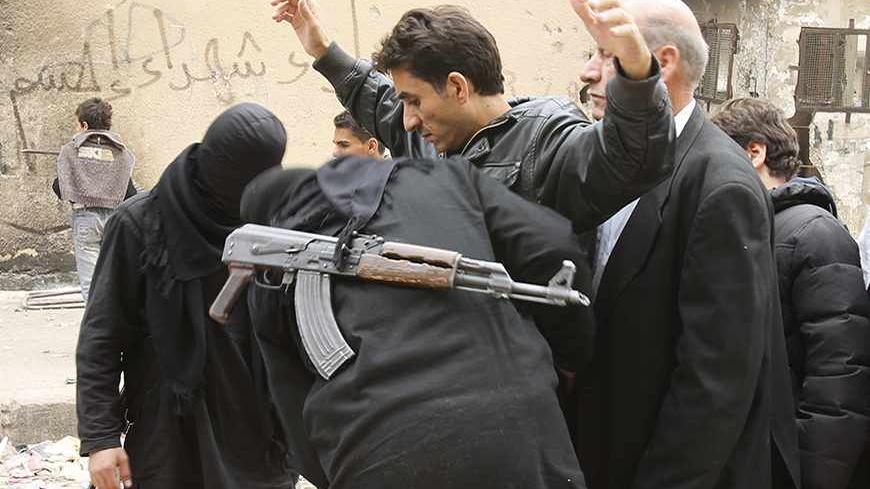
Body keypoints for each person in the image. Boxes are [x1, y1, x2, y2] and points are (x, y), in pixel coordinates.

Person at [242, 154, 595, 489]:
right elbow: (553, 247)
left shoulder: (268, 278)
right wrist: (566, 360)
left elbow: (290, 405)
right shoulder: (446, 178)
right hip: (524, 434)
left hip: (376, 455)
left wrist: (343, 469)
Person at [571, 1, 800, 488]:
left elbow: (714, 385)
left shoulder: (721, 185)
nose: (587, 73)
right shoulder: (603, 162)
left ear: (664, 62)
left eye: (604, 54)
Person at [270, 0, 674, 232]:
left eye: (415, 101)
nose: (408, 121)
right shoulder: (436, 135)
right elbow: (381, 102)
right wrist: (323, 50)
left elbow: (630, 159)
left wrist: (636, 76)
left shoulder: (545, 139)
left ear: (459, 88)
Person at [75, 103, 296, 489]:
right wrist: (101, 439)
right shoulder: (139, 225)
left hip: (258, 430)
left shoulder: (272, 226)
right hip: (170, 428)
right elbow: (102, 337)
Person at [712, 97, 870, 489]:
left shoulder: (814, 233)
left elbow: (840, 377)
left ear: (755, 153)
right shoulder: (750, 229)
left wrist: (810, 477)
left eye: (717, 157)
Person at [54, 98, 136, 301]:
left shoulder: (71, 150)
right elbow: (130, 193)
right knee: (114, 274)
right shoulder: (122, 153)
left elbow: (59, 187)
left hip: (85, 219)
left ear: (84, 125)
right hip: (116, 220)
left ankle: (96, 325)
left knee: (90, 282)